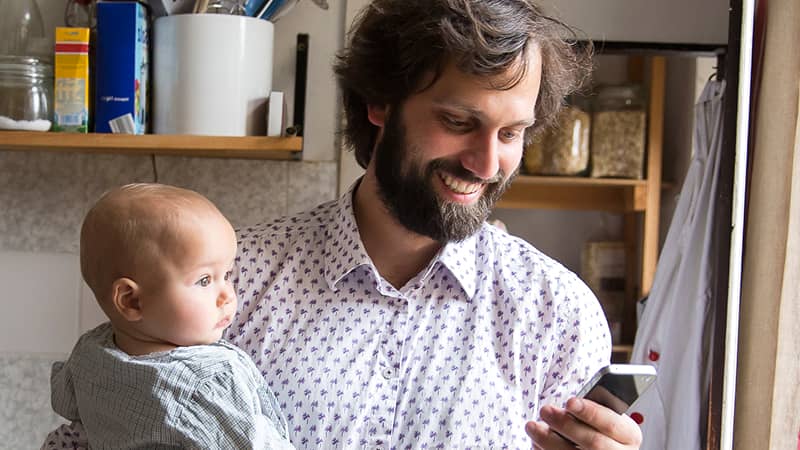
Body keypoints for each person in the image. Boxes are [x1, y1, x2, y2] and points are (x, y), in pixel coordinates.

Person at [44, 0, 644, 448]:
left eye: (510, 134)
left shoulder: (556, 316)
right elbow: (94, 428)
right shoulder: (223, 285)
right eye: (460, 121)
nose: (488, 163)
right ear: (379, 104)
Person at [47, 183, 295, 449]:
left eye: (227, 275)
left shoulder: (88, 353)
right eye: (204, 280)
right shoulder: (206, 383)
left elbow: (67, 405)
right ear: (132, 301)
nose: (227, 295)